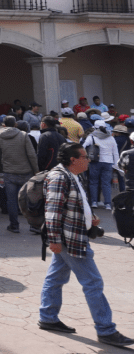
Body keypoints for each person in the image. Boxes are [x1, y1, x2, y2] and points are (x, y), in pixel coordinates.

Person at [39, 143, 134, 347]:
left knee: (56, 278)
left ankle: (47, 317)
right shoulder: (58, 177)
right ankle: (106, 330)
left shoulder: (73, 175)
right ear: (73, 160)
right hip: (69, 239)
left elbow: (77, 202)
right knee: (93, 283)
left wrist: (91, 218)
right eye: (85, 156)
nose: (89, 160)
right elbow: (53, 212)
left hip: (74, 235)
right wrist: (54, 240)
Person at [0, 116, 38, 234]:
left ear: (3, 125)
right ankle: (33, 225)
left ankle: (14, 225)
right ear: (15, 124)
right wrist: (36, 170)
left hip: (9, 172)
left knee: (11, 200)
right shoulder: (23, 135)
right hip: (25, 172)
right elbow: (32, 154)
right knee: (28, 199)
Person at [83, 120, 119, 209]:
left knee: (93, 182)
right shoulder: (111, 137)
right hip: (108, 162)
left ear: (94, 128)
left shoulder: (91, 136)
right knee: (106, 183)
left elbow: (83, 146)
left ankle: (94, 202)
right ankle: (108, 204)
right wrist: (116, 164)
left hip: (95, 162)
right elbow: (115, 152)